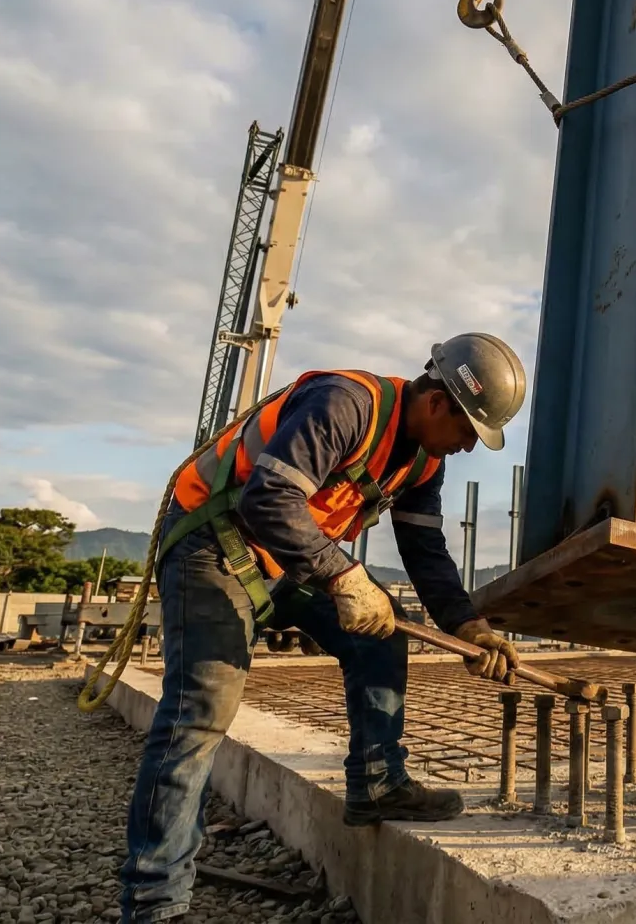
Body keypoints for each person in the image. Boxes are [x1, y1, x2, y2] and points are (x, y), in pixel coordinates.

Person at [120, 333, 527, 921]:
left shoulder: (422, 461)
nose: (467, 447)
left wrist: (471, 626)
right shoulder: (345, 404)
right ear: (438, 403)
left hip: (287, 561)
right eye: (468, 432)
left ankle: (377, 783)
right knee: (198, 713)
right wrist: (345, 577)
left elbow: (425, 550)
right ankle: (153, 899)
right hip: (212, 545)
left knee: (382, 635)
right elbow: (269, 498)